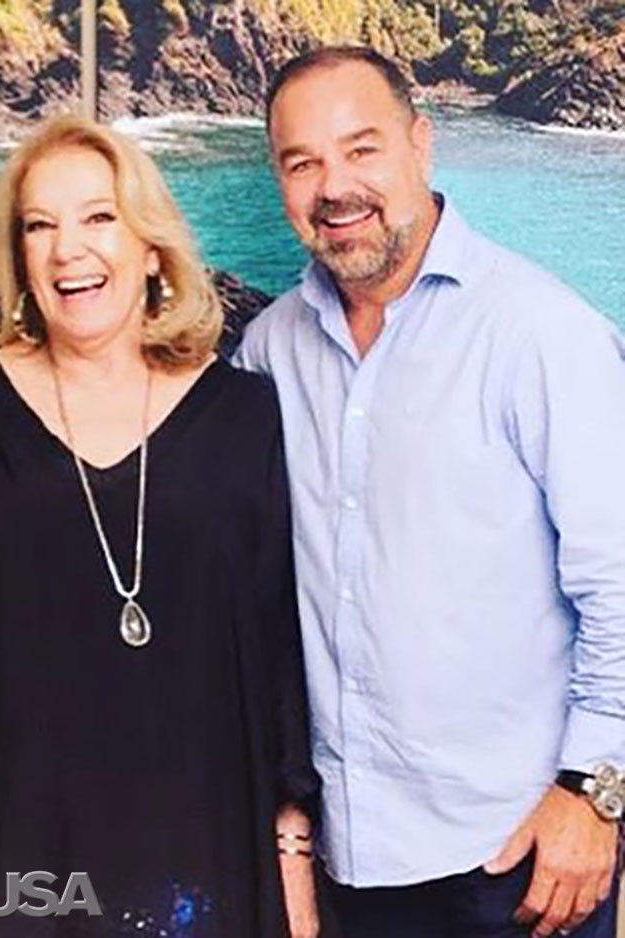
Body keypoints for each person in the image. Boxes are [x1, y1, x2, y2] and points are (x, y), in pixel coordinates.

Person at [0, 114, 322, 938]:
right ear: (20, 259)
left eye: (98, 217)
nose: (68, 248)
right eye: (40, 226)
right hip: (3, 851)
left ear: (152, 247)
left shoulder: (245, 415)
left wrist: (291, 851)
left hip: (202, 852)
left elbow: (278, 642)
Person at [236, 46, 625, 938]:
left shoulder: (541, 334)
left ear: (420, 142)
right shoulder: (267, 351)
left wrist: (593, 792)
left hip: (520, 858)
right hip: (346, 861)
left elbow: (621, 580)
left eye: (361, 149)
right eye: (302, 162)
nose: (335, 187)